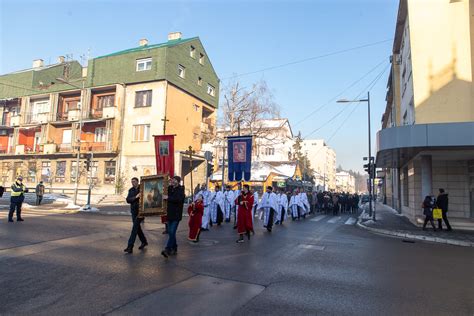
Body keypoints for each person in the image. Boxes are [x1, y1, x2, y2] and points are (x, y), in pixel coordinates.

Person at [161, 176, 185, 258]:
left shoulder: (181, 190)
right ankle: (174, 247)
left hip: (176, 215)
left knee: (171, 231)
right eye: (172, 180)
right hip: (169, 214)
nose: (173, 181)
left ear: (178, 182)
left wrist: (168, 198)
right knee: (172, 232)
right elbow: (163, 190)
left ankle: (167, 249)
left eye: (175, 180)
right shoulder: (169, 188)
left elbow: (179, 199)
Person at [124, 177, 148, 253]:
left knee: (134, 228)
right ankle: (144, 241)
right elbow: (128, 200)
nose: (133, 183)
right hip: (134, 211)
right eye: (132, 182)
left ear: (137, 182)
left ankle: (130, 246)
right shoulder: (131, 190)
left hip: (141, 211)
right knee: (137, 228)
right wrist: (135, 197)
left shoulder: (142, 188)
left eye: (134, 181)